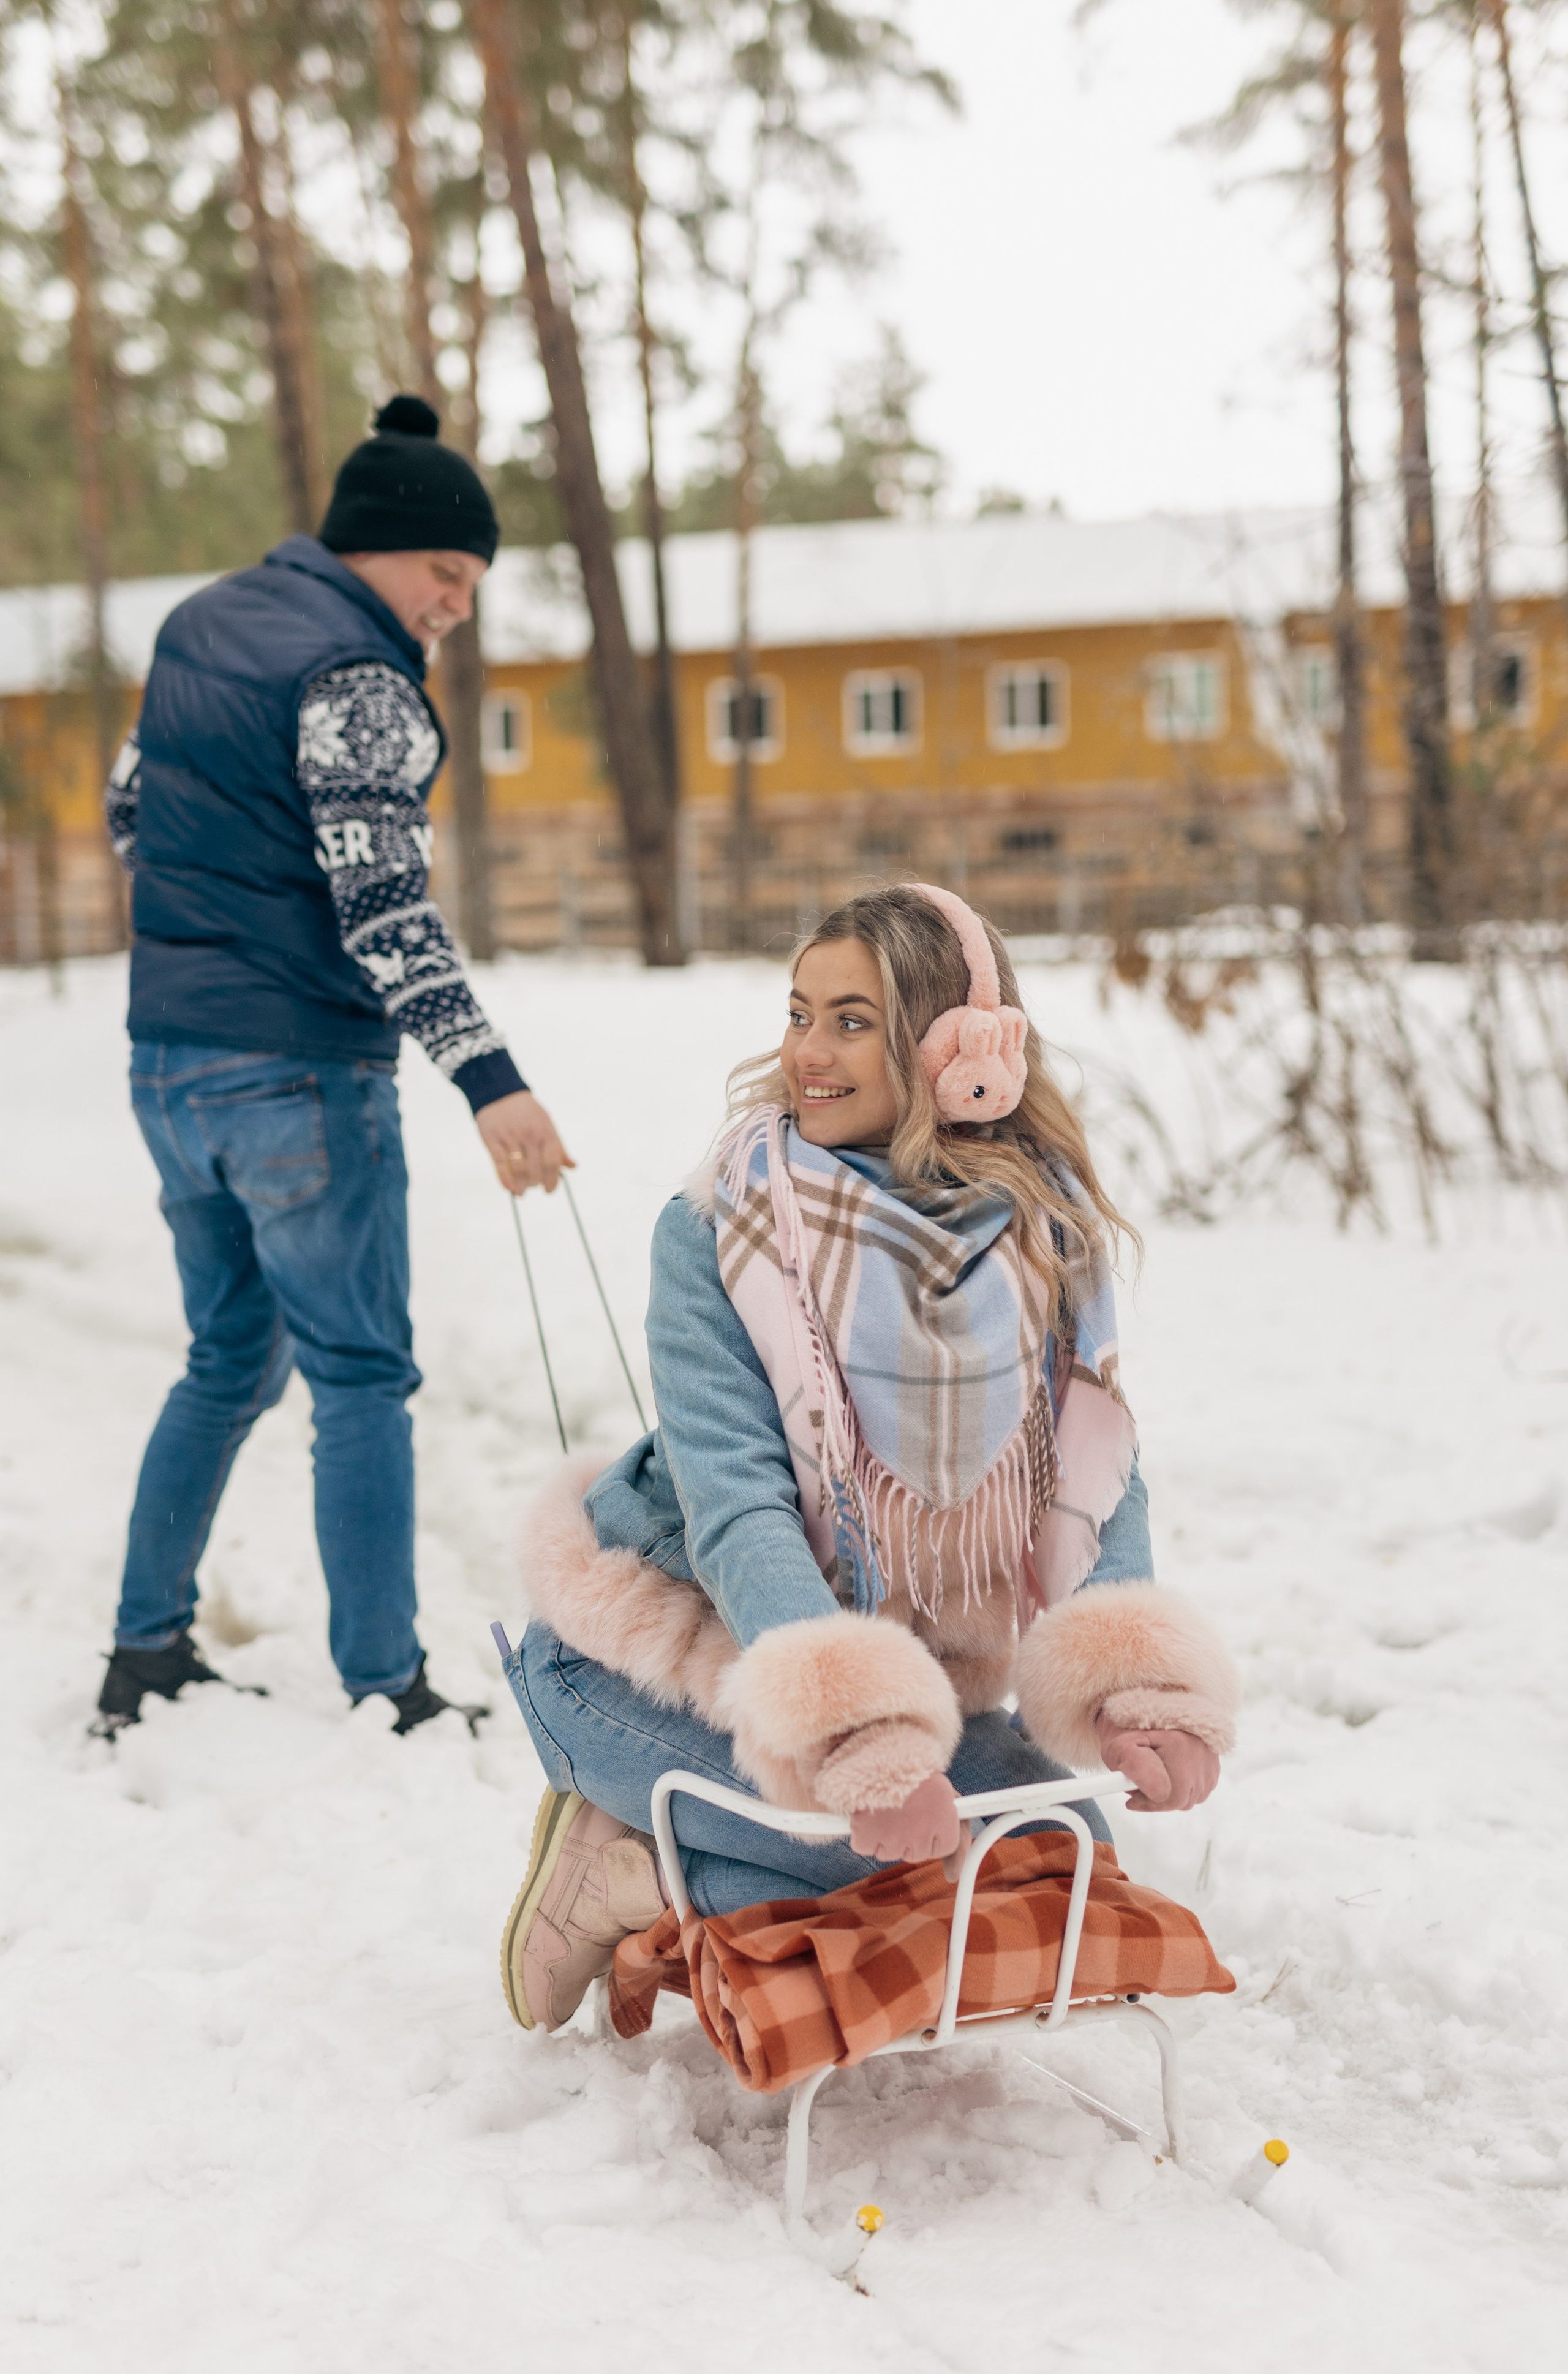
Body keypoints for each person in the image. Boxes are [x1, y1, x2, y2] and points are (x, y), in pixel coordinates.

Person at [498, 883, 1239, 2031]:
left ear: (959, 1053)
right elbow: (738, 1506)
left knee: (1061, 1850)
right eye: (800, 1015)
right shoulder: (719, 1227)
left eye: (852, 1021)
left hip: (905, 1677)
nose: (809, 1053)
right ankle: (625, 1869)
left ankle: (685, 1863)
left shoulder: (1041, 1238)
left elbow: (1096, 1470)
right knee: (882, 1856)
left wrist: (1132, 1695)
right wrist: (858, 1740)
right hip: (646, 1660)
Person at [94, 394, 570, 1739]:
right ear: (381, 547)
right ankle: (385, 1684)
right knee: (358, 1375)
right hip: (298, 1071)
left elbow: (136, 805)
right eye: (448, 577)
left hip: (170, 1070)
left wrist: (218, 917)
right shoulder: (358, 676)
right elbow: (383, 911)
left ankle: (144, 1648)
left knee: (230, 1358)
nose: (455, 608)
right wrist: (491, 1079)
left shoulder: (201, 625)